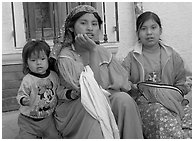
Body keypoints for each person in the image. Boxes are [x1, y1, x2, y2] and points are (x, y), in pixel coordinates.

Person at [50, 5, 143, 139]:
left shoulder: (102, 52)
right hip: (77, 105)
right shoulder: (67, 57)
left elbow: (119, 84)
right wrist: (92, 51)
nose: (90, 28)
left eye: (94, 24)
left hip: (103, 98)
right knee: (94, 108)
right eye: (83, 23)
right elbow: (90, 91)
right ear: (71, 27)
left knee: (124, 100)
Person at [122, 11, 192, 139]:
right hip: (145, 105)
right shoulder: (131, 57)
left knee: (188, 113)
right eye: (143, 29)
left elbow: (184, 80)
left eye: (153, 27)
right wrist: (134, 87)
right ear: (138, 33)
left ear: (160, 30)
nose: (149, 33)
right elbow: (121, 81)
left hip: (172, 102)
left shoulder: (172, 55)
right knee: (160, 113)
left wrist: (176, 92)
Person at [16, 40, 69, 138]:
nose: (38, 63)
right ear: (26, 63)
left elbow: (59, 92)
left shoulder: (54, 76)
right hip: (28, 121)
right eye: (33, 60)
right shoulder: (28, 80)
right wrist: (24, 100)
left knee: (55, 137)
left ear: (48, 60)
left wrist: (69, 94)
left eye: (42, 59)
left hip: (48, 119)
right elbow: (20, 94)